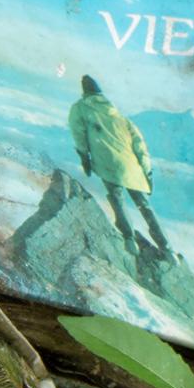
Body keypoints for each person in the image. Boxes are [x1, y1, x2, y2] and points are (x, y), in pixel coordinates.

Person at [68, 73, 169, 260]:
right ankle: (166, 247)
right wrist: (147, 172)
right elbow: (140, 147)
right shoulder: (120, 117)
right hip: (132, 167)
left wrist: (84, 157)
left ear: (85, 92)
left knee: (117, 198)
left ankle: (129, 239)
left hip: (107, 162)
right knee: (144, 205)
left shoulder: (80, 109)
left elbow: (78, 134)